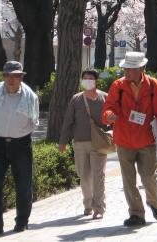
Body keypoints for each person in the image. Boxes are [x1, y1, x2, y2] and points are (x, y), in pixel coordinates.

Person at [102, 52, 157, 227]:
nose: (126, 70)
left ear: (140, 68)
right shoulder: (118, 86)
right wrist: (108, 115)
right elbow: (108, 107)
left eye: (130, 68)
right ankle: (136, 213)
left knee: (149, 177)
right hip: (123, 139)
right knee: (128, 180)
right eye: (125, 67)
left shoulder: (153, 85)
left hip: (146, 139)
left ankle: (154, 203)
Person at [0, 61, 39, 235]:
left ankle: (21, 221)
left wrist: (19, 133)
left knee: (23, 184)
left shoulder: (30, 98)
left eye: (15, 75)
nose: (10, 79)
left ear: (21, 77)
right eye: (7, 75)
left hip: (21, 144)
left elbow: (33, 122)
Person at [59, 69, 109, 219]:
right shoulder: (76, 99)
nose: (87, 81)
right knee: (84, 176)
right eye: (85, 78)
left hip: (99, 143)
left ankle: (99, 207)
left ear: (96, 81)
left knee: (98, 176)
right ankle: (88, 204)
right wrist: (63, 141)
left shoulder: (105, 98)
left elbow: (112, 119)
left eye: (90, 79)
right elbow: (68, 121)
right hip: (80, 143)